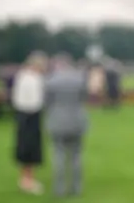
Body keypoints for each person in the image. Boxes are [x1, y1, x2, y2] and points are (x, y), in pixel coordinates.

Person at [44, 53, 88, 197]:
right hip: (77, 120)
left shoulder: (51, 80)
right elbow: (84, 98)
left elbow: (47, 102)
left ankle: (59, 189)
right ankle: (76, 188)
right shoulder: (80, 78)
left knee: (59, 156)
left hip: (58, 121)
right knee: (76, 156)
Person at [12, 51, 48, 195]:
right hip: (30, 114)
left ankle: (27, 178)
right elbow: (36, 100)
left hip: (24, 114)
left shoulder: (22, 75)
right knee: (29, 148)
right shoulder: (32, 78)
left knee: (28, 147)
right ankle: (27, 180)